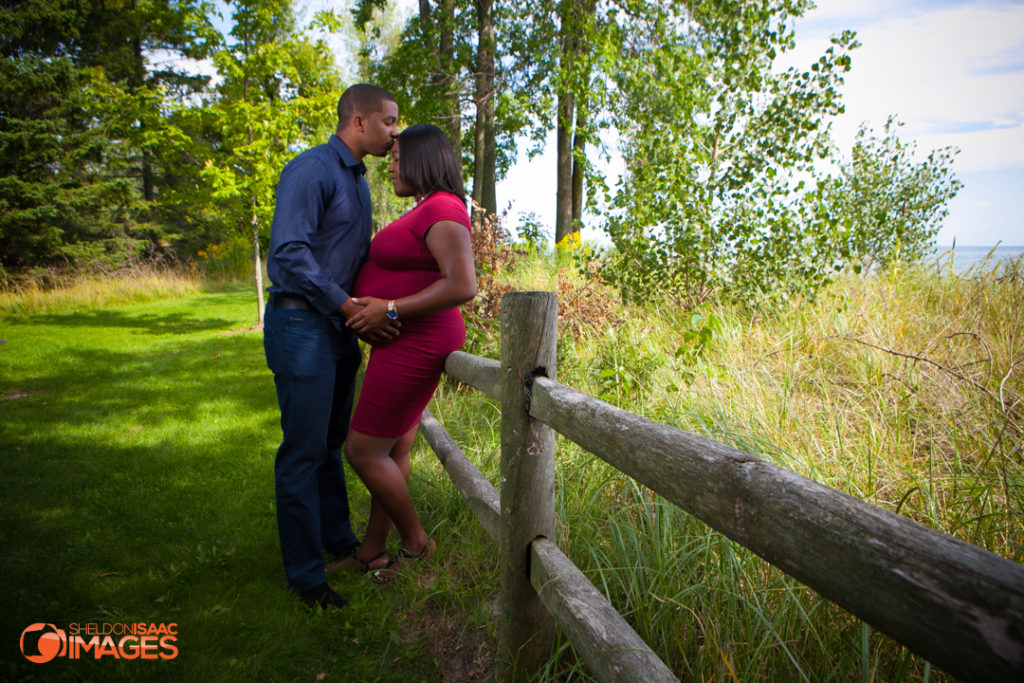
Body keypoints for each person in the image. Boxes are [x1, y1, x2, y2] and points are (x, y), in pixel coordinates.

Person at [263, 84, 399, 609]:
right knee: (302, 451)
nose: (394, 132)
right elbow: (290, 254)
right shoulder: (312, 169)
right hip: (302, 327)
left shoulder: (358, 180)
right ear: (359, 121)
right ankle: (305, 576)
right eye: (388, 121)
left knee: (329, 444)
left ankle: (338, 540)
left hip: (339, 330)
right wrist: (347, 307)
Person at [331, 123, 477, 583]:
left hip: (418, 339)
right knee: (391, 450)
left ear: (422, 160)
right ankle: (372, 551)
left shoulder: (445, 209)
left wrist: (389, 309)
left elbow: (462, 285)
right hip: (409, 337)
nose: (390, 165)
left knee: (361, 450)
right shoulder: (430, 208)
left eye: (398, 158)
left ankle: (417, 542)